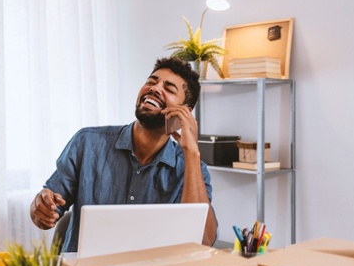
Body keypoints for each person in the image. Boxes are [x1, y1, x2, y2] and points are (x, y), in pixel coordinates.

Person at [30, 57, 217, 252]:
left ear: (185, 113)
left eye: (169, 89)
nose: (155, 88)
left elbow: (203, 241)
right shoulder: (87, 142)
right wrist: (40, 209)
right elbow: (44, 215)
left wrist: (192, 152)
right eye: (151, 81)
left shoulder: (192, 168)